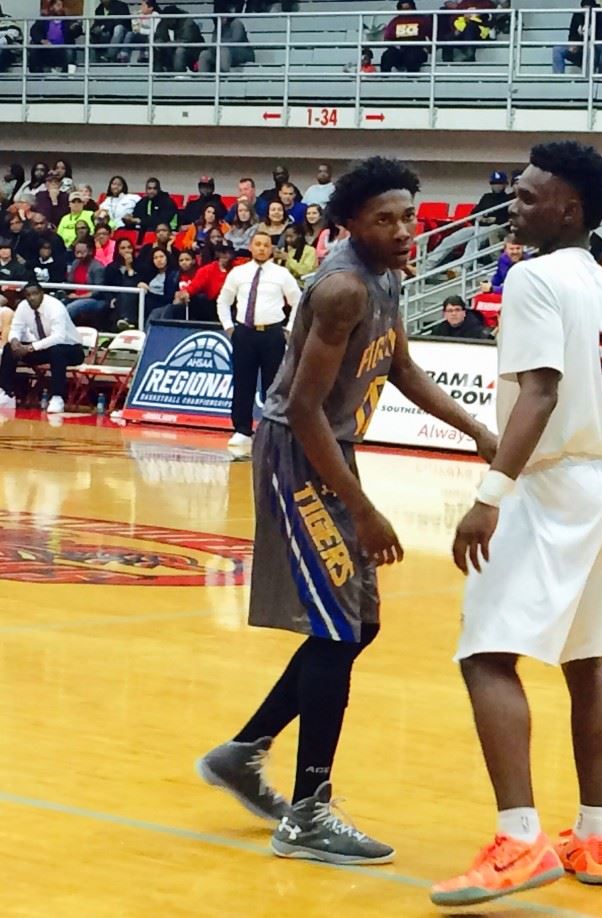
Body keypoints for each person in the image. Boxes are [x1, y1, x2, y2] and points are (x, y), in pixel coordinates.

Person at [197, 156, 496, 869]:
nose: (404, 230)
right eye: (385, 219)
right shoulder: (339, 288)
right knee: (335, 631)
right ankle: (308, 810)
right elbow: (301, 409)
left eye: (408, 215)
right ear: (351, 226)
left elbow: (402, 366)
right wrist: (362, 509)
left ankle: (242, 754)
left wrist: (476, 429)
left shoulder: (388, 274)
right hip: (298, 454)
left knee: (357, 626)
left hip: (330, 451)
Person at [431, 140, 602, 908]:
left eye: (528, 196)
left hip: (553, 486)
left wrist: (491, 493)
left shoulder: (531, 279)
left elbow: (540, 394)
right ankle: (592, 834)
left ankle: (519, 841)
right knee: (584, 660)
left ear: (571, 209)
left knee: (486, 655)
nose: (513, 206)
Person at [213, 231, 300, 449]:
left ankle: (271, 431)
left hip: (272, 334)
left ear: (271, 249)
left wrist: (289, 329)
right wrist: (229, 327)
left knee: (273, 385)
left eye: (266, 245)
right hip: (244, 333)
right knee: (243, 382)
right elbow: (223, 301)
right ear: (251, 247)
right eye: (258, 244)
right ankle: (242, 429)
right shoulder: (238, 273)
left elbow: (298, 302)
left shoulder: (282, 274)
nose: (262, 248)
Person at [0, 283, 84, 414]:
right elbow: (16, 328)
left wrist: (31, 347)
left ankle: (57, 397)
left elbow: (59, 337)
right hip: (43, 347)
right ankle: (6, 392)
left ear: (42, 294)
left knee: (58, 350)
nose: (32, 298)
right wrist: (15, 340)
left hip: (72, 349)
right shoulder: (23, 307)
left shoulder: (56, 307)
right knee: (9, 348)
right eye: (28, 295)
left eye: (35, 294)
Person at [29, 0, 82, 74]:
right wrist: (42, 40)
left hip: (63, 48)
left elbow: (78, 32)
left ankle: (67, 75)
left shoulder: (68, 20)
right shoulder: (43, 20)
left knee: (69, 51)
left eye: (62, 6)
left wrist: (75, 28)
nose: (61, 8)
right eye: (58, 5)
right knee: (34, 48)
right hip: (46, 48)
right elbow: (34, 31)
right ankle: (36, 75)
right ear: (51, 7)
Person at [381, 0, 432, 73]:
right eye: (403, 9)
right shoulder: (395, 21)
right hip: (399, 50)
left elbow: (430, 35)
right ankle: (384, 79)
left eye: (408, 9)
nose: (406, 11)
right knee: (387, 56)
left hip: (417, 49)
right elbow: (387, 38)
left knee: (412, 56)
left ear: (413, 8)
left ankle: (412, 80)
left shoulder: (422, 20)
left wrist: (428, 48)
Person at [65, 239, 108, 326]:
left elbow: (98, 291)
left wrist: (79, 297)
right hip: (74, 296)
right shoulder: (75, 263)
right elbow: (70, 282)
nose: (79, 255)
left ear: (90, 251)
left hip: (94, 300)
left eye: (82, 252)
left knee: (71, 308)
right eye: (77, 252)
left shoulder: (98, 267)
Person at [552, 0, 597, 74]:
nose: (586, 12)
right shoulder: (577, 16)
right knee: (557, 49)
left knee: (590, 48)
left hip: (593, 49)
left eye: (589, 9)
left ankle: (589, 79)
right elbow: (572, 33)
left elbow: (601, 36)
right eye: (584, 9)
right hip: (579, 48)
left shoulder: (600, 16)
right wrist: (573, 44)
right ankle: (558, 78)